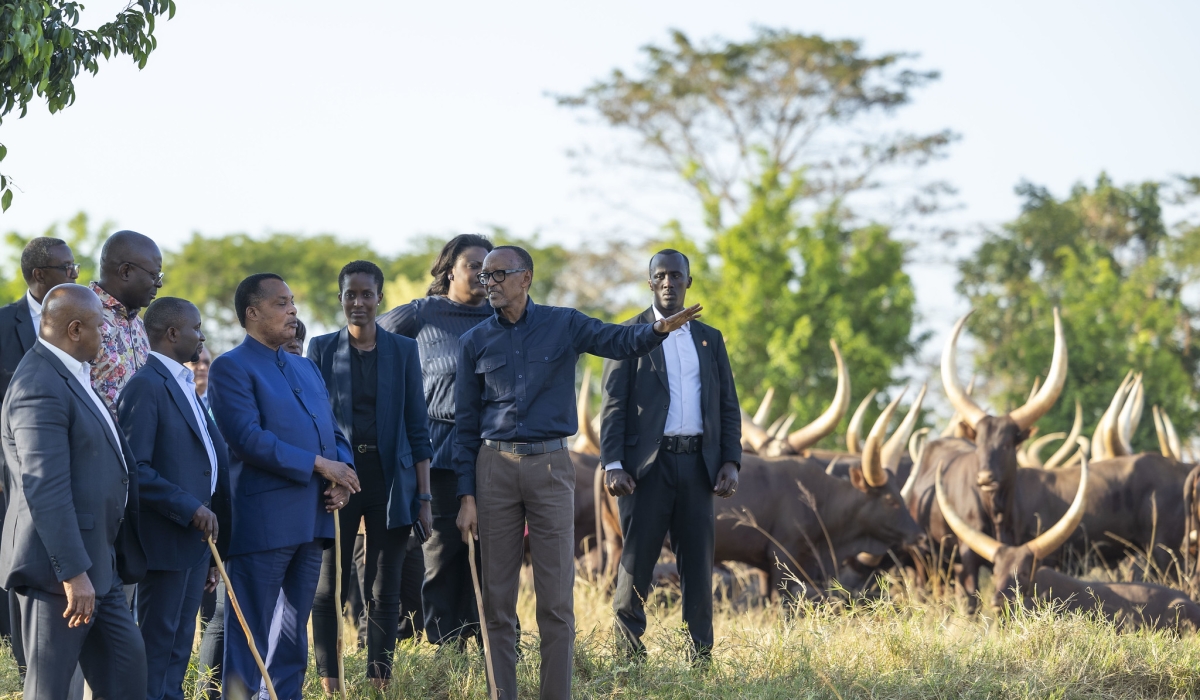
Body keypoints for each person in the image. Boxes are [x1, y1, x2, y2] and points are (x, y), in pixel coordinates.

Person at [454, 245, 699, 699]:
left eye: (498, 274)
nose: (488, 283)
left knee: (556, 602)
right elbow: (465, 426)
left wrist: (658, 330)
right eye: (484, 276)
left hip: (551, 466)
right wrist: (466, 496)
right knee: (498, 602)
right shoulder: (474, 342)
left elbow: (617, 341)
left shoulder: (564, 324)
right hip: (493, 469)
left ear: (525, 278)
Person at [208, 274, 359, 699]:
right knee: (250, 632)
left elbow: (333, 432)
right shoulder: (230, 367)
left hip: (314, 518)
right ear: (252, 313)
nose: (293, 309)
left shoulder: (305, 366)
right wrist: (319, 464)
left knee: (294, 634)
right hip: (264, 521)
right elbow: (247, 438)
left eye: (292, 301)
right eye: (281, 303)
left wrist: (343, 475)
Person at [0, 283, 147, 699]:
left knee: (127, 671)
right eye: (102, 328)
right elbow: (43, 484)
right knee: (51, 687)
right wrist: (72, 573)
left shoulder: (74, 373)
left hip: (98, 563)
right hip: (59, 574)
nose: (108, 337)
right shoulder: (38, 383)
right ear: (76, 329)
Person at [600, 249, 741, 662]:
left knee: (698, 567)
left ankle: (699, 662)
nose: (668, 282)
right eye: (660, 276)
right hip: (645, 471)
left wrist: (730, 460)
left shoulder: (709, 339)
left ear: (688, 282)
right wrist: (613, 464)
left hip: (698, 467)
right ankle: (628, 663)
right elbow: (612, 405)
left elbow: (727, 404)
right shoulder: (629, 334)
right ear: (650, 284)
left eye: (675, 276)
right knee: (636, 564)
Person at [308, 260, 434, 693]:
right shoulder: (322, 349)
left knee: (385, 586)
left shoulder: (403, 350)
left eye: (366, 294)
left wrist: (424, 497)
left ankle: (379, 681)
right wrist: (331, 475)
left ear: (379, 298)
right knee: (330, 587)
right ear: (341, 297)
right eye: (350, 294)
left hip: (389, 479)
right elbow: (316, 421)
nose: (358, 302)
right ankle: (331, 683)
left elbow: (418, 427)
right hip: (337, 480)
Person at [378, 233, 494, 648]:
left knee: (489, 554)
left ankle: (490, 651)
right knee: (445, 552)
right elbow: (361, 344)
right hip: (439, 451)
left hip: (492, 453)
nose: (483, 274)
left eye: (490, 266)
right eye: (473, 265)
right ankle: (446, 650)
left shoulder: (502, 317)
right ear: (449, 271)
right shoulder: (420, 314)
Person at [117, 298, 229, 700]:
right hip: (166, 538)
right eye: (197, 328)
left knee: (179, 647)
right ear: (172, 333)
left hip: (196, 542)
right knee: (157, 645)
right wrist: (191, 508)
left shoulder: (186, 386)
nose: (202, 336)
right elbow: (136, 468)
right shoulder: (146, 386)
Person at [0, 236, 80, 669]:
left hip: (71, 471)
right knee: (23, 560)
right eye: (67, 268)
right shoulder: (2, 325)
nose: (74, 275)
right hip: (12, 474)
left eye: (75, 267)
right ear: (38, 275)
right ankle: (24, 661)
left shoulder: (86, 324)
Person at [90, 230, 163, 409]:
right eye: (154, 275)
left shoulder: (139, 324)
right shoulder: (83, 314)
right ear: (125, 271)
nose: (159, 284)